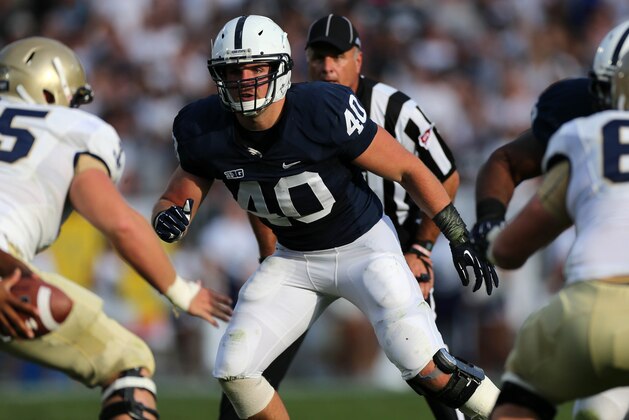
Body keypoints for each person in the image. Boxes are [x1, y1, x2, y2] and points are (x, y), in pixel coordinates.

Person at [153, 15, 500, 419]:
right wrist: (166, 218)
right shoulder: (203, 127)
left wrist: (455, 234)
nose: (245, 79)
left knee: (426, 369)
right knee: (234, 369)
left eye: (256, 68)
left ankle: (508, 411)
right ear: (218, 75)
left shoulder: (322, 108)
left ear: (280, 68)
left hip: (364, 248)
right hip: (294, 260)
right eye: (234, 70)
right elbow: (174, 197)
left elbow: (409, 168)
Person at [0, 37, 233, 420]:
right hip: (5, 269)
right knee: (129, 361)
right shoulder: (74, 130)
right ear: (48, 90)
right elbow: (120, 224)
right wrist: (181, 291)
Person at [472, 21, 629, 420]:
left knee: (524, 401)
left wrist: (495, 240)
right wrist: (490, 217)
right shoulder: (583, 116)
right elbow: (507, 161)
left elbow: (516, 244)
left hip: (596, 301)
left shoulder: (588, 134)